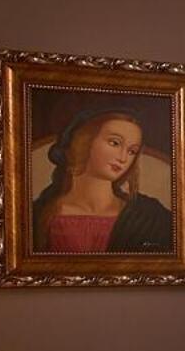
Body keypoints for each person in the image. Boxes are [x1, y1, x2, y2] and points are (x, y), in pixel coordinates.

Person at [31, 108, 173, 254]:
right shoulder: (36, 215)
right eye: (115, 143)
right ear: (84, 141)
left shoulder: (150, 217)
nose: (123, 157)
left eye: (132, 151)